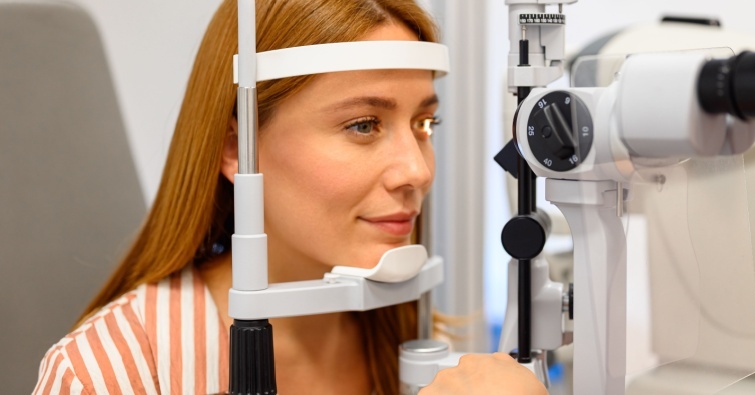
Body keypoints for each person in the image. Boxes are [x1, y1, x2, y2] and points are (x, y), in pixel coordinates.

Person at [31, 0, 548, 394]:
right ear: (237, 149)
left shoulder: (426, 343)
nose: (417, 169)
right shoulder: (107, 372)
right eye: (364, 124)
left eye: (424, 123)